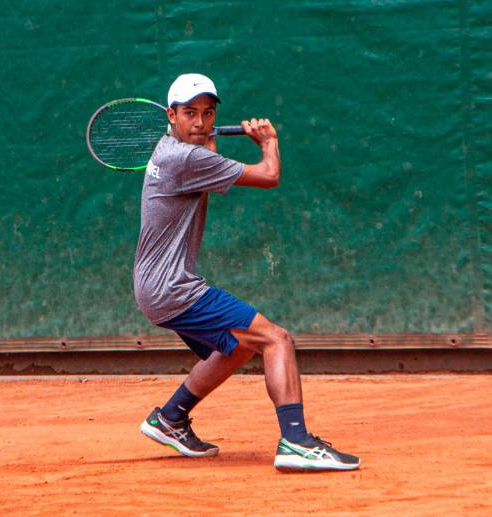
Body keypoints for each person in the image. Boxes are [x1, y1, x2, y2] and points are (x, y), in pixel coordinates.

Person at [134, 73, 359, 471]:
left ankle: (170, 418)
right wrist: (269, 143)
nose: (201, 122)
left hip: (155, 287)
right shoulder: (186, 159)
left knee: (237, 346)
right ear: (171, 115)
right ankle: (296, 441)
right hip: (173, 288)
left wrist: (207, 143)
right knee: (276, 339)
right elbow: (269, 176)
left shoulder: (171, 149)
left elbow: (206, 159)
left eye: (208, 113)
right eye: (190, 113)